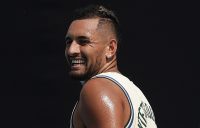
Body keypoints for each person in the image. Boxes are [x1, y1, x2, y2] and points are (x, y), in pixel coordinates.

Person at [65, 4, 157, 128]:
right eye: (69, 41)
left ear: (111, 48)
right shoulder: (136, 95)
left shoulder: (97, 88)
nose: (71, 50)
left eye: (83, 41)